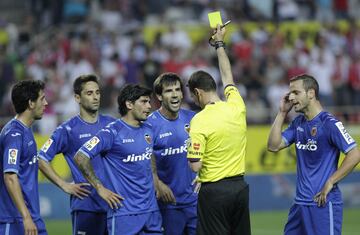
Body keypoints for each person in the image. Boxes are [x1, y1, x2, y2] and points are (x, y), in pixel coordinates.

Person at [267, 74, 360, 234]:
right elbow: (273, 146)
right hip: (299, 205)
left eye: (296, 92)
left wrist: (331, 181)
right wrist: (282, 113)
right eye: (290, 93)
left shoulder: (330, 123)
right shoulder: (298, 123)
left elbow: (355, 154)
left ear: (311, 93)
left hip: (322, 203)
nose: (291, 97)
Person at [186, 24, 251, 234]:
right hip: (240, 188)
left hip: (214, 192)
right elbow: (228, 76)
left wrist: (191, 143)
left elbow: (195, 166)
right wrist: (220, 44)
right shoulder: (237, 105)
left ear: (197, 92)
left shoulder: (199, 120)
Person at [74, 84, 162, 234]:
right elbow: (80, 157)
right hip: (124, 214)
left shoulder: (148, 129)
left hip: (151, 212)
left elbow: (149, 153)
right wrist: (100, 188)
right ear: (129, 104)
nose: (149, 106)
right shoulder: (112, 132)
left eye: (149, 102)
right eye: (144, 102)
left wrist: (154, 177)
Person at [38, 74, 116, 235]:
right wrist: (64, 185)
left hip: (114, 206)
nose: (95, 97)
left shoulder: (112, 124)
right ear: (77, 97)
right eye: (89, 93)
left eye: (97, 92)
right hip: (86, 207)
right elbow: (41, 159)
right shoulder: (68, 129)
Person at [147, 72, 197, 235]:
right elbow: (142, 159)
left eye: (177, 90)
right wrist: (157, 182)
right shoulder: (149, 125)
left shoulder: (194, 119)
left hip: (195, 204)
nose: (175, 94)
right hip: (168, 205)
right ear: (159, 96)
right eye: (169, 91)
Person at [0, 80, 48, 235]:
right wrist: (26, 217)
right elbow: (10, 176)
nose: (46, 103)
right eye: (42, 99)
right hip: (14, 220)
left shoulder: (25, 130)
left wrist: (64, 185)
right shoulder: (14, 134)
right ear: (31, 103)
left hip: (32, 218)